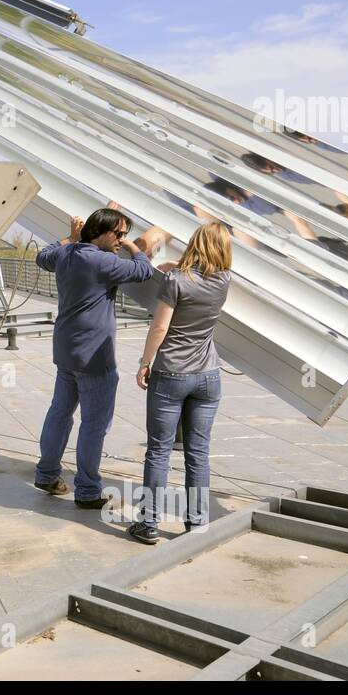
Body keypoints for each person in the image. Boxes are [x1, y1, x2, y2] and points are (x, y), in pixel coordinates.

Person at [34, 207, 156, 507]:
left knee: (59, 413)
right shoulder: (104, 262)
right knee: (94, 425)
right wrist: (132, 247)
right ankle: (87, 491)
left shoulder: (66, 254)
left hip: (66, 351)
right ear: (100, 232)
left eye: (124, 236)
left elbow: (42, 256)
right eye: (118, 234)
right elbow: (144, 270)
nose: (121, 240)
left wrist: (71, 236)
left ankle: (46, 474)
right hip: (94, 358)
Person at [128, 222, 232, 544]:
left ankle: (148, 524)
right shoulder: (224, 280)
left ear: (194, 243)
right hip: (208, 377)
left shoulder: (175, 281)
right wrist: (176, 267)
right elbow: (198, 276)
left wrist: (145, 363)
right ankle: (197, 524)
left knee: (158, 452)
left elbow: (159, 329)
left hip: (171, 374)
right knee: (198, 453)